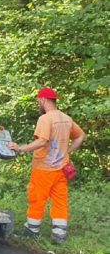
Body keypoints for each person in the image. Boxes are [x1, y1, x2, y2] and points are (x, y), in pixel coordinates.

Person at [8, 87, 85, 244]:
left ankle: (31, 230)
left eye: (38, 101)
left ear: (43, 100)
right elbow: (80, 136)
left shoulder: (45, 119)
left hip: (44, 169)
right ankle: (59, 234)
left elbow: (42, 141)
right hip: (62, 169)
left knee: (37, 198)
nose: (39, 103)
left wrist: (20, 148)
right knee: (60, 200)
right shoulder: (66, 118)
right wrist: (67, 152)